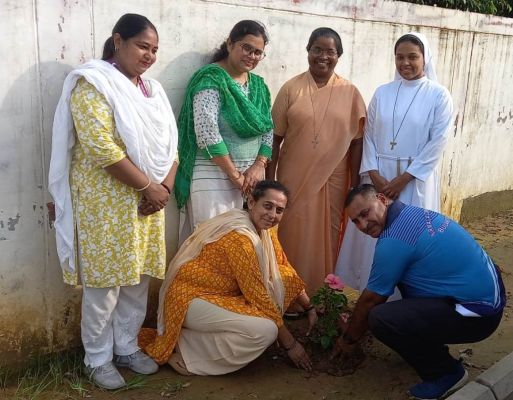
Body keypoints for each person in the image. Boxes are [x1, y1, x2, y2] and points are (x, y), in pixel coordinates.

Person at [48, 14, 178, 389]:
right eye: (142, 46)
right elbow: (101, 148)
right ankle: (97, 358)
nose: (149, 55)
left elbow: (171, 145)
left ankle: (126, 346)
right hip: (106, 204)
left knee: (137, 280)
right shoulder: (92, 84)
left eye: (154, 49)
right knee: (105, 286)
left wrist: (163, 190)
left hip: (149, 202)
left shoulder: (153, 91)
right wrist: (149, 188)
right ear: (118, 41)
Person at [333, 185, 506, 400]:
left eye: (365, 213)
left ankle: (446, 373)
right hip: (489, 300)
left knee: (380, 318)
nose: (363, 225)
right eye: (356, 221)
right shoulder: (410, 214)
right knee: (407, 288)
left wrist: (349, 339)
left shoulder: (394, 240)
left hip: (477, 316)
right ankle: (431, 348)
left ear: (381, 199)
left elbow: (371, 300)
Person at [139, 180, 317, 375]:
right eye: (267, 206)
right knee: (266, 331)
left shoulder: (266, 230)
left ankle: (181, 341)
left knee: (281, 281)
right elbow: (258, 296)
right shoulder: (240, 239)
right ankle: (182, 353)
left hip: (222, 297)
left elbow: (283, 265)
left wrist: (309, 306)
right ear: (251, 202)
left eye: (279, 210)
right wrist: (290, 344)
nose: (272, 215)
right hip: (189, 299)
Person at [336, 32, 454, 292]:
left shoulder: (439, 95)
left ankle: (406, 296)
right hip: (378, 176)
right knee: (373, 232)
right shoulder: (383, 92)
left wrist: (404, 179)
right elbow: (369, 134)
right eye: (400, 57)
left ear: (425, 58)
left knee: (408, 237)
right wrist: (374, 174)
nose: (405, 63)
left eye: (412, 57)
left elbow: (438, 141)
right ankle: (371, 291)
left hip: (413, 179)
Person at [266, 27, 366, 296]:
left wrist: (355, 182)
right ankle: (287, 294)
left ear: (338, 55)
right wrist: (270, 181)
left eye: (330, 51)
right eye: (317, 50)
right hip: (293, 177)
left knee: (328, 235)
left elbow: (357, 142)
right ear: (308, 51)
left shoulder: (350, 92)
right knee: (291, 231)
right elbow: (274, 139)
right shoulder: (291, 88)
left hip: (333, 180)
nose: (323, 56)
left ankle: (322, 296)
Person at [174, 20, 274, 240]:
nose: (252, 56)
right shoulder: (211, 79)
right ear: (230, 44)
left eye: (258, 52)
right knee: (212, 241)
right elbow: (207, 133)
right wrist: (235, 176)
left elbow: (268, 129)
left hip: (252, 179)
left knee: (246, 243)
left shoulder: (259, 86)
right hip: (214, 176)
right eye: (247, 48)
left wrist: (259, 165)